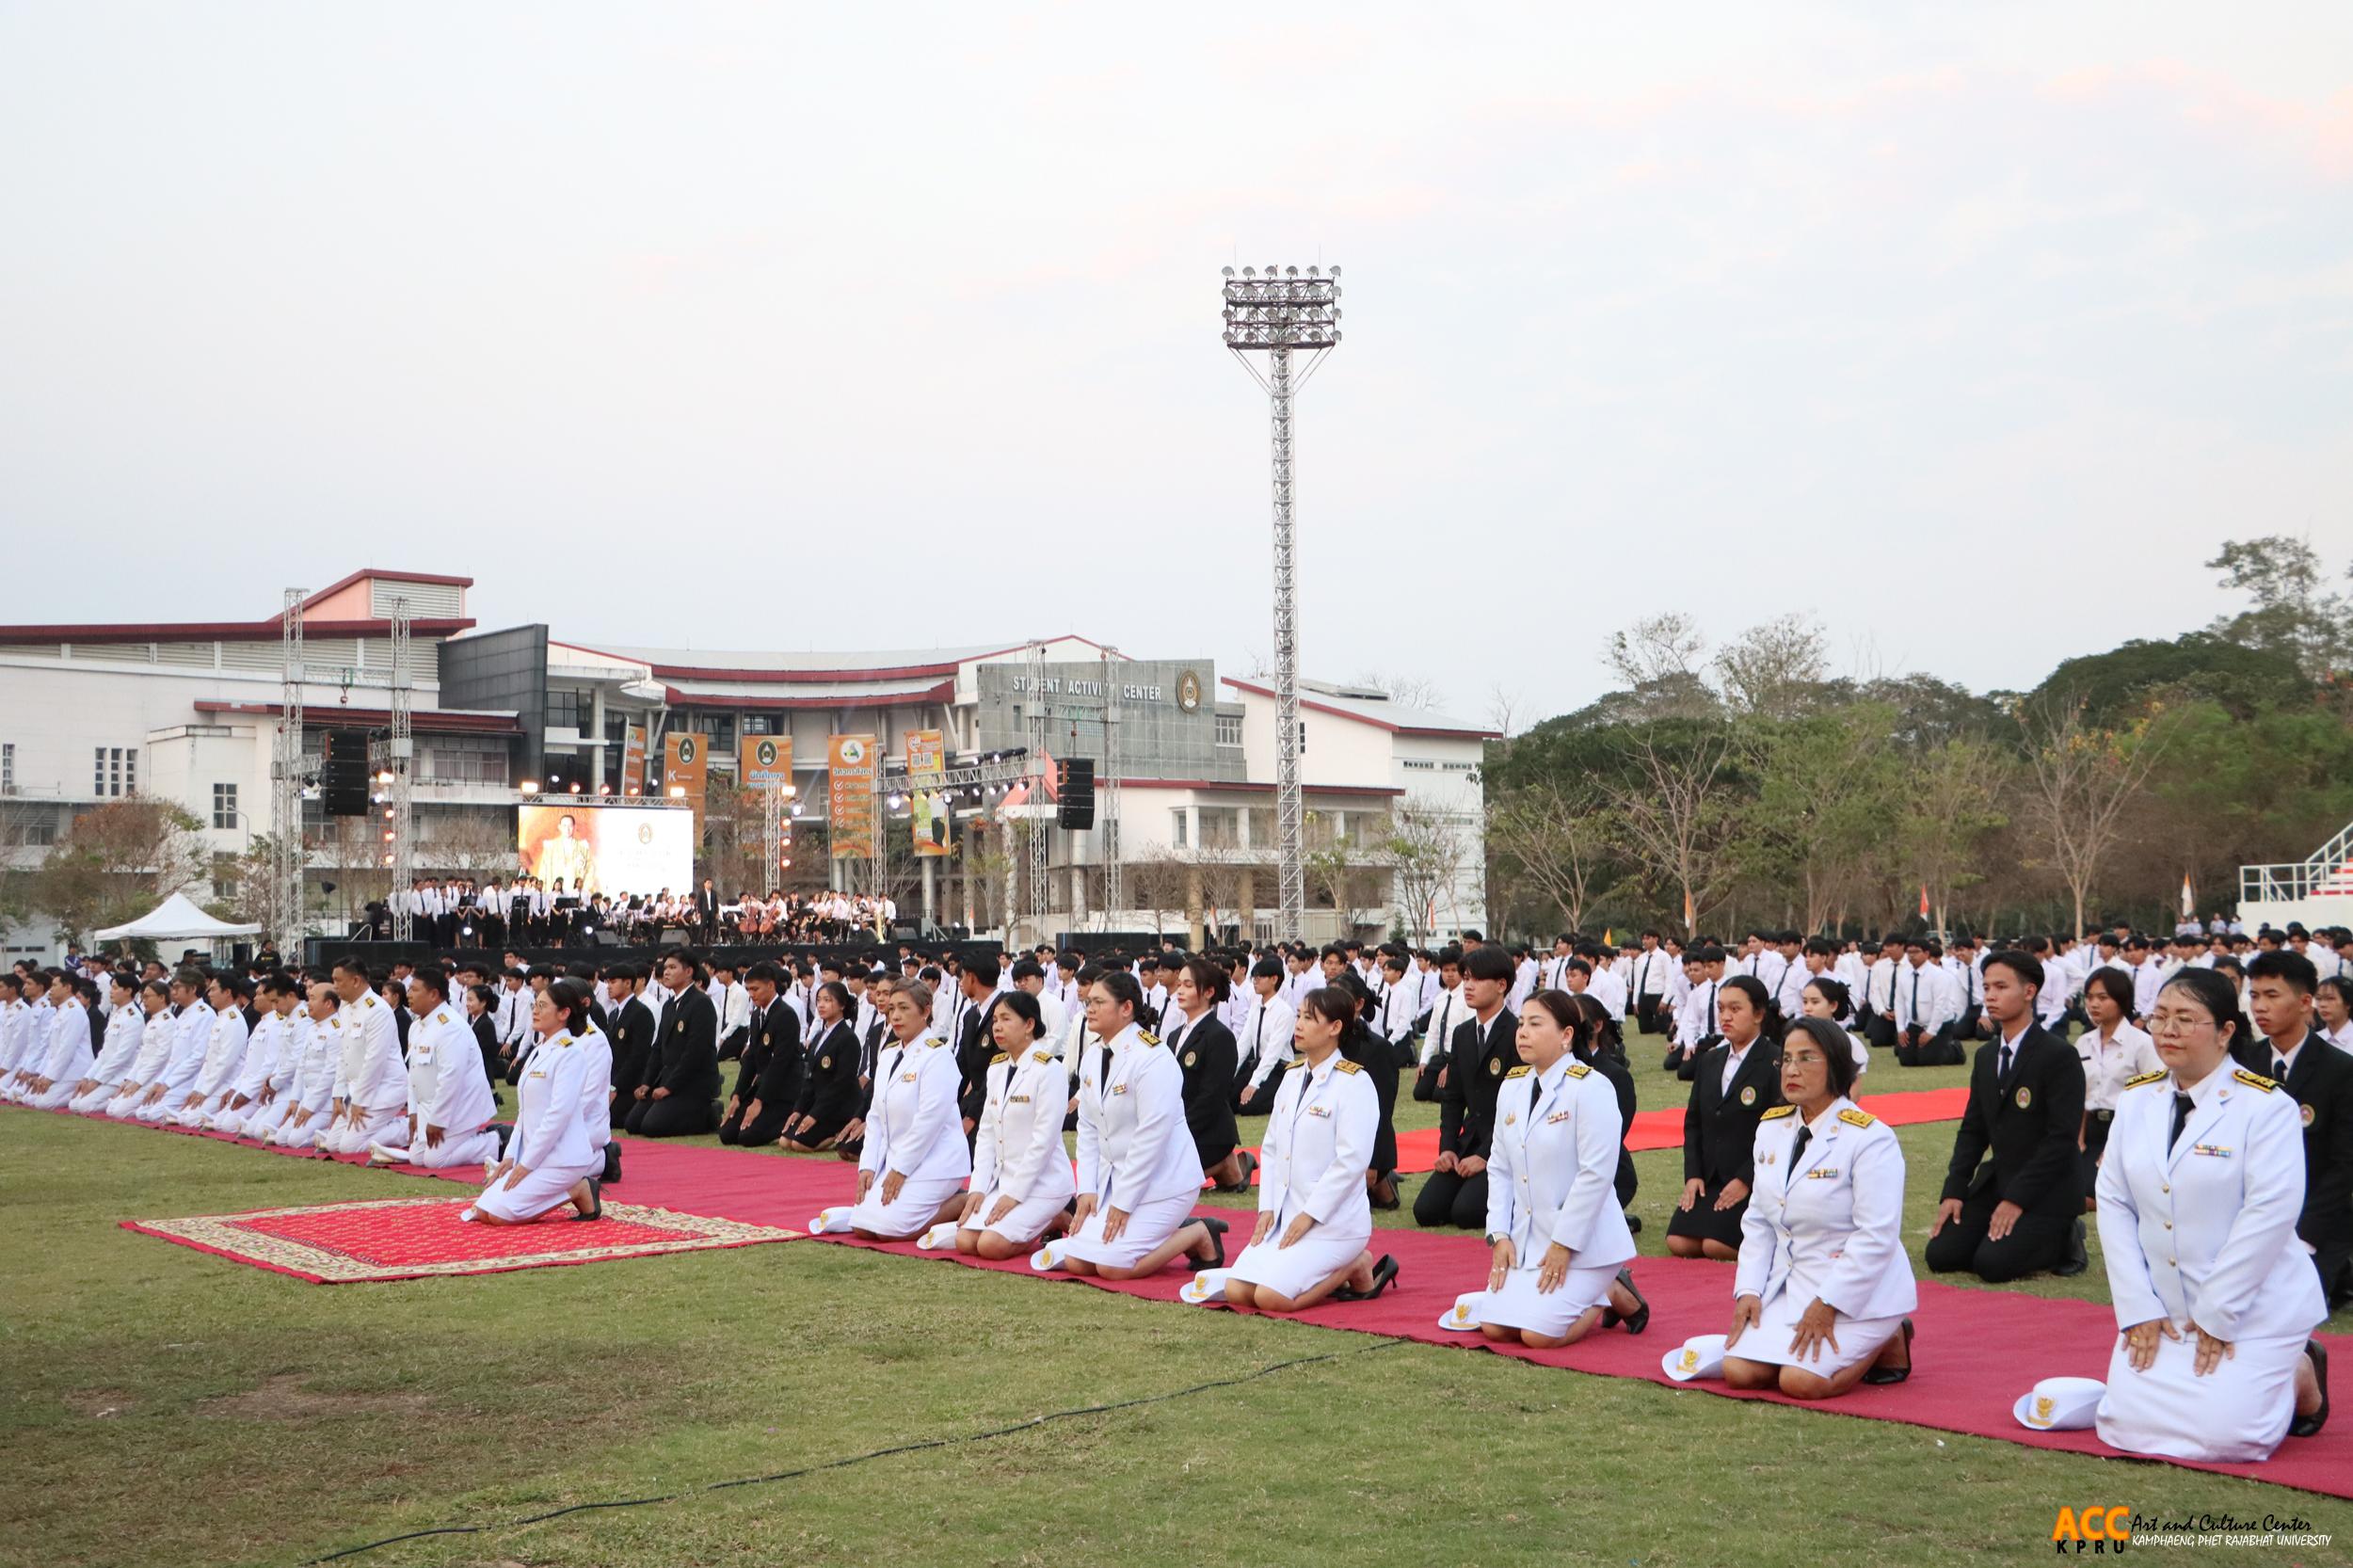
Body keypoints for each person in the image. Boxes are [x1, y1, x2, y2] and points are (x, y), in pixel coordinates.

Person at [2093, 967, 2329, 1458]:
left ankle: (2300, 1370)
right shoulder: (2137, 1099)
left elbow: (2269, 1215)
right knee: (2122, 1426)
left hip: (2250, 1307)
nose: (2168, 1031)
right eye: (2159, 1017)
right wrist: (2138, 1308)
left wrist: (2218, 1313)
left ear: (2225, 1031)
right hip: (2164, 1305)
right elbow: (2114, 1202)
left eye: (2185, 1018)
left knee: (2230, 1438)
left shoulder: (2266, 1108)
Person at [1722, 1016, 1917, 1398]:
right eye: (1787, 1059)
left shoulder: (1870, 1138)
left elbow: (1876, 1235)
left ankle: (1890, 1335)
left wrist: (1830, 1302)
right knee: (1739, 1373)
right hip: (1793, 1284)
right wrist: (1748, 1290)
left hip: (1858, 1292)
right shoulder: (1771, 1128)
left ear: (1837, 1067)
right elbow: (1760, 1220)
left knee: (1800, 1383)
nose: (1792, 1070)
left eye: (1807, 1059)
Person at [1475, 991, 1645, 1347]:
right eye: (1521, 1023)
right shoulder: (1512, 1087)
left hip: (1585, 1243)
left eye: (1535, 1025)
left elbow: (1595, 1175)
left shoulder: (1592, 1087)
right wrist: (1499, 1235)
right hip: (1528, 1239)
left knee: (1537, 1335)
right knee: (1494, 1327)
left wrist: (1564, 1244)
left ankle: (1606, 1290)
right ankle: (1603, 1291)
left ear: (1566, 1035)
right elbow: (1500, 1167)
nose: (1522, 1032)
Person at [1224, 984, 1397, 1311]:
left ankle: (1355, 1265)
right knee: (1237, 1290)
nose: (1298, 1025)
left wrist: (1310, 1215)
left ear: (1335, 1028)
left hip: (1333, 1223)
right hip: (1286, 1218)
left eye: (1309, 1018)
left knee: (1270, 1298)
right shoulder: (1291, 1077)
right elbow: (1272, 1148)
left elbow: (1351, 1161)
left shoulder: (1354, 1083)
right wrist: (1267, 1209)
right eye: (1299, 1016)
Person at [1049, 971, 1225, 1279]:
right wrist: (1088, 1188)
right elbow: (1088, 1129)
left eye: (1099, 1002)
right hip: (1115, 1182)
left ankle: (1197, 1233)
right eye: (1089, 1002)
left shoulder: (1152, 1058)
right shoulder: (1093, 1057)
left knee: (1112, 1267)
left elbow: (1151, 1138)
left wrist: (1124, 1202)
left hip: (1165, 1183)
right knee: (1077, 1261)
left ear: (1126, 1008)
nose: (1089, 1008)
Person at [1927, 951, 2089, 1281]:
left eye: (2001, 987)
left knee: (1993, 1265)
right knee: (1942, 1255)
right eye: (1986, 987)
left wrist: (2017, 1199)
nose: (1990, 996)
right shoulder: (1987, 1056)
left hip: (2047, 1189)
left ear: (2029, 992)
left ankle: (2066, 1235)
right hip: (2000, 1179)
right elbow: (1973, 1130)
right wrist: (1954, 1190)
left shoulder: (2059, 1055)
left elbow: (2061, 1140)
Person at [2233, 950, 2353, 1308]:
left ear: (2304, 1003)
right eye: (2254, 995)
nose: (2260, 1007)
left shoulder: (2340, 1070)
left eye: (2272, 995)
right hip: (2251, 1217)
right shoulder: (2244, 1065)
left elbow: (2344, 1165)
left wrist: (2304, 1235)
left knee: (2288, 1306)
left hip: (2316, 1220)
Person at [468, 984, 605, 1224]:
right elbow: (524, 1112)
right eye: (535, 1005)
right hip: (533, 1153)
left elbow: (558, 1116)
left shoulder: (570, 1053)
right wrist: (511, 1156)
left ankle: (577, 1189)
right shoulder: (540, 1050)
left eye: (543, 1006)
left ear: (564, 1013)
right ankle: (561, 1186)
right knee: (481, 1211)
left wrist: (527, 1164)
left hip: (563, 1158)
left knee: (500, 1215)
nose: (535, 1011)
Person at [1669, 975, 1783, 1261]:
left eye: (1735, 1009)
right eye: (1721, 1009)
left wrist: (1746, 1179)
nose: (1725, 1017)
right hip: (1710, 1177)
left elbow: (1780, 1132)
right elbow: (1694, 1123)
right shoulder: (1710, 1060)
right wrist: (1693, 1174)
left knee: (1714, 1247)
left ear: (1758, 1014)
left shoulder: (1774, 1062)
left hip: (1751, 1178)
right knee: (1679, 1243)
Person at [954, 991, 1077, 1259]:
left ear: (1029, 1024)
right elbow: (986, 1133)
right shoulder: (996, 1068)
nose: (997, 1026)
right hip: (1004, 1180)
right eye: (995, 1019)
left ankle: (1057, 1217)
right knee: (965, 1240)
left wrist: (1015, 1195)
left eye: (1006, 1019)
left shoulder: (1048, 1070)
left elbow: (1043, 1141)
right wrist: (978, 1189)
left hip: (1043, 1183)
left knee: (990, 1246)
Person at [846, 982, 970, 1240]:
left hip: (936, 1161)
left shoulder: (938, 1056)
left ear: (925, 1011)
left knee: (891, 1232)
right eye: (891, 1009)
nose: (895, 1016)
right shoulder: (889, 1055)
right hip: (895, 1159)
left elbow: (929, 1122)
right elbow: (875, 1117)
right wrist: (867, 1166)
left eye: (904, 1008)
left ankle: (960, 1202)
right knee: (861, 1225)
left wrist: (901, 1169)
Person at [1416, 945, 1517, 1231]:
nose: (1467, 986)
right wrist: (1447, 1147)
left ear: (1501, 985)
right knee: (1427, 1211)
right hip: (1469, 1137)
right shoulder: (1463, 1034)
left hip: (1504, 1144)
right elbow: (1453, 1098)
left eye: (1476, 979)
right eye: (1467, 978)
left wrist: (1485, 1156)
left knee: (1466, 1214)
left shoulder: (1516, 1034)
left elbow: (1518, 1109)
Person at [369, 969, 501, 1170]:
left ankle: (495, 1141)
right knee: (417, 1157)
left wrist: (438, 1120)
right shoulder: (417, 1027)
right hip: (429, 1107)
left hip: (461, 1107)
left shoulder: (450, 1027)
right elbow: (414, 1074)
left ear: (433, 994)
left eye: (414, 990)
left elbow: (451, 1078)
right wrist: (413, 1113)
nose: (409, 995)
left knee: (435, 1160)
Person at [2075, 967, 2161, 1206]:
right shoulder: (2084, 1043)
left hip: (2127, 1130)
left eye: (2103, 998)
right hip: (2092, 1129)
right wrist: (2078, 1139)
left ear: (2121, 1000)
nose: (2094, 1004)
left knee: (2096, 1191)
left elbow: (2153, 1097)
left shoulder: (2142, 1043)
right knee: (2066, 1182)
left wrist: (2120, 1145)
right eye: (2090, 998)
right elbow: (2079, 1094)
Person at [1161, 957, 1246, 1190]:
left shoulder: (1219, 1036)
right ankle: (1231, 1167)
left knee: (1167, 1184)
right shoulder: (1175, 1035)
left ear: (1208, 991)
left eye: (1188, 985)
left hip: (1208, 1131)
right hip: (1180, 1127)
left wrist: (1177, 1131)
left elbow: (1212, 1097)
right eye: (1179, 984)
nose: (1180, 990)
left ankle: (1227, 1163)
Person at [627, 951, 721, 1137]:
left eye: (672, 967)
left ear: (688, 972)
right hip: (668, 1077)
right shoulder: (669, 1005)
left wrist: (669, 1087)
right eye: (665, 968)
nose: (666, 972)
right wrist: (647, 1082)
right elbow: (658, 1048)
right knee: (633, 1124)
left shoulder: (701, 1003)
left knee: (652, 1127)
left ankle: (708, 1114)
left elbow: (695, 1052)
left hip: (693, 1082)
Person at [321, 958, 406, 1155]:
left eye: (338, 981)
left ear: (356, 981)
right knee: (333, 1144)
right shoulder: (345, 1008)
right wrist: (338, 1095)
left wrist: (360, 1100)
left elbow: (374, 1060)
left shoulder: (377, 1010)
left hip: (385, 1088)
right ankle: (383, 1125)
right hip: (357, 1088)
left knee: (349, 1147)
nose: (334, 986)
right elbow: (344, 1055)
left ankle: (404, 1129)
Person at [719, 961, 802, 1148]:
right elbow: (751, 1059)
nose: (751, 994)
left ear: (771, 985)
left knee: (748, 1137)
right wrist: (737, 1096)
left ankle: (792, 1116)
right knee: (727, 1133)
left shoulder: (785, 1015)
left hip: (783, 1092)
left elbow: (780, 1063)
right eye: (748, 989)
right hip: (764, 1087)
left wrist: (758, 1101)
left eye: (755, 989)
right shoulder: (757, 1016)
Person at [784, 981, 862, 1151]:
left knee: (799, 1144)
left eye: (827, 1000)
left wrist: (815, 1115)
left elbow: (841, 1084)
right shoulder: (819, 1036)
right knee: (785, 1141)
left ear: (842, 1005)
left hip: (839, 1106)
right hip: (819, 1103)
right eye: (819, 1000)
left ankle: (837, 1133)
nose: (821, 1005)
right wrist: (799, 1109)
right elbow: (810, 1079)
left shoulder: (848, 1038)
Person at [63, 975, 144, 1114]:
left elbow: (121, 1056)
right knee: (74, 1104)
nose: (111, 992)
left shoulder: (133, 1017)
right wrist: (88, 1077)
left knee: (84, 1107)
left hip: (119, 1076)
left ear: (128, 991)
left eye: (115, 988)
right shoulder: (117, 1014)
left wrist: (97, 1081)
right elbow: (104, 1053)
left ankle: (117, 1102)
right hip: (105, 1074)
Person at [1232, 957, 1295, 1113]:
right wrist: (1230, 1075)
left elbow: (1273, 1053)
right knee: (1228, 1098)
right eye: (1254, 977)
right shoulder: (1256, 1006)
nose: (1255, 981)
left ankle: (1285, 1095)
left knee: (1248, 1107)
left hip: (1279, 1068)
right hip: (1257, 1065)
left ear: (1274, 979)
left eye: (1260, 977)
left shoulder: (1284, 1012)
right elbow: (1243, 1045)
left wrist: (1254, 1083)